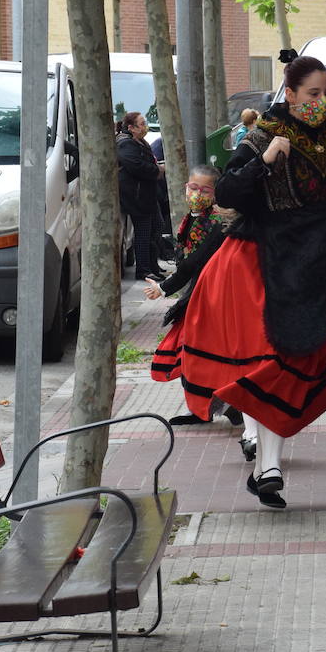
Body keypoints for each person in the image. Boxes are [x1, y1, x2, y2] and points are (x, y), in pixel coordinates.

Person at [173, 54, 326, 509]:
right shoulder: (262, 135)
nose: (322, 102)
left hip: (322, 256)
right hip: (263, 258)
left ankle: (265, 460)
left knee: (298, 362)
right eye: (312, 94)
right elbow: (228, 193)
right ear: (289, 94)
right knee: (273, 360)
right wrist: (265, 160)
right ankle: (267, 465)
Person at [144, 220, 245, 433]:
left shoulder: (222, 225)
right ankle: (212, 406)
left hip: (218, 299)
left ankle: (226, 404)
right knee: (191, 352)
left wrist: (163, 288)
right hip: (208, 297)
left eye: (203, 191)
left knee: (199, 353)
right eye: (192, 189)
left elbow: (193, 262)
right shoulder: (195, 222)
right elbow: (189, 262)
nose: (195, 195)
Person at [116, 111, 165, 281]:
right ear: (131, 128)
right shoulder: (125, 144)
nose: (145, 127)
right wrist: (157, 170)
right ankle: (144, 270)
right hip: (137, 198)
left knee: (157, 227)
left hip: (147, 196)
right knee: (144, 234)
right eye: (142, 124)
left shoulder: (140, 142)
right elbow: (136, 166)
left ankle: (152, 265)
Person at [172, 165, 224, 260]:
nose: (197, 194)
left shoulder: (216, 222)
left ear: (215, 193)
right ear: (186, 187)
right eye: (193, 188)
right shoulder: (188, 217)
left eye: (205, 191)